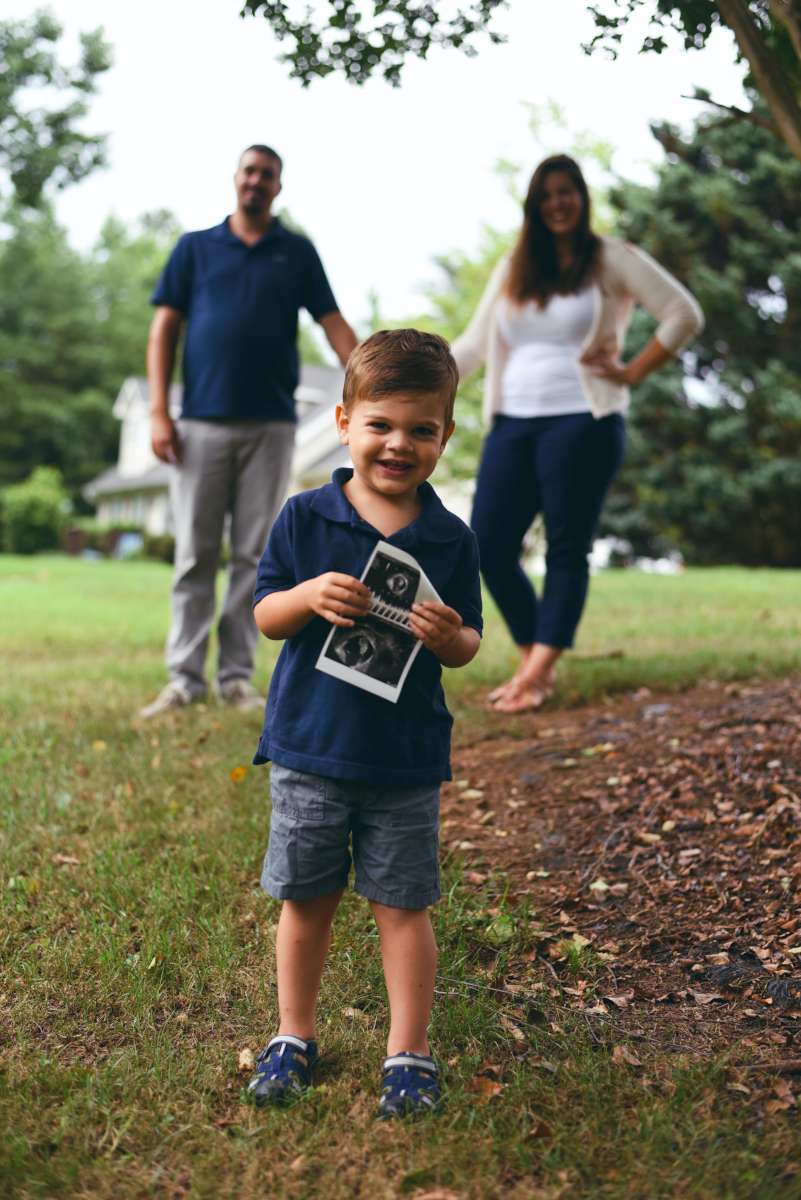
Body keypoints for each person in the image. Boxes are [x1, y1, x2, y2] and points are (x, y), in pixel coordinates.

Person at [245, 330, 482, 1117]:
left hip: (404, 759)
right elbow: (266, 615)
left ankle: (408, 1051)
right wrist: (309, 595)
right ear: (345, 420)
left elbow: (468, 644)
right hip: (311, 747)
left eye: (421, 429)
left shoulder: (449, 538)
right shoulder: (305, 517)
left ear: (445, 436)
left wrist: (449, 637)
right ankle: (292, 1035)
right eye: (380, 424)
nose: (398, 444)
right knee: (306, 899)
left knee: (402, 904)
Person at [451, 154, 704, 713]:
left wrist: (634, 370)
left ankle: (537, 672)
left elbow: (683, 313)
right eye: (546, 195)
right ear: (534, 207)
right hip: (513, 422)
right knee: (488, 544)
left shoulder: (610, 259)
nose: (557, 204)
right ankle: (533, 660)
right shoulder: (515, 265)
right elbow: (471, 346)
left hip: (583, 421)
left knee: (567, 547)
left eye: (566, 192)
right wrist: (409, 375)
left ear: (582, 198)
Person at [139, 144, 358, 719]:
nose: (257, 182)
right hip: (201, 425)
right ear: (236, 180)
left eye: (268, 175)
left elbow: (333, 325)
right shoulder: (195, 249)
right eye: (249, 172)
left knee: (251, 557)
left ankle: (236, 678)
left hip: (271, 425)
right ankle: (184, 679)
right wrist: (159, 412)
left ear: (278, 188)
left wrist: (375, 381)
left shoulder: (297, 253)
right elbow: (164, 330)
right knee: (194, 555)